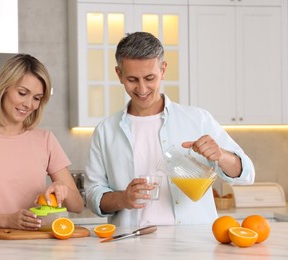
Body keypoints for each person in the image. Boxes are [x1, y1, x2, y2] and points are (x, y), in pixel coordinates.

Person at [84, 32, 255, 227]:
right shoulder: (106, 130)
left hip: (194, 245)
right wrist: (123, 199)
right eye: (132, 79)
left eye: (150, 78)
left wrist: (222, 155)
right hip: (131, 246)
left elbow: (246, 174)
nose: (142, 89)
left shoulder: (198, 119)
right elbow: (92, 194)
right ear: (119, 74)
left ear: (163, 70)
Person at [0, 54, 84, 230]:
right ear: (4, 88)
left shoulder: (45, 139)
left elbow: (77, 206)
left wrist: (61, 187)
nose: (29, 104)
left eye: (37, 98)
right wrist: (6, 220)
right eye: (22, 93)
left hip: (37, 247)